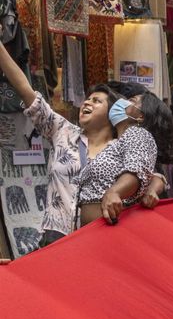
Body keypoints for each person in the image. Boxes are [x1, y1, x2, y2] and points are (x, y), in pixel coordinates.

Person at [0, 40, 117, 244]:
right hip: (56, 236)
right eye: (87, 99)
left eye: (97, 101)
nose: (87, 102)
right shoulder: (63, 131)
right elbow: (26, 91)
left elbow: (143, 177)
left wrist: (156, 182)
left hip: (99, 240)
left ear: (112, 114)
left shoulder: (120, 148)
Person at [77, 90, 165, 225]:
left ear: (140, 116)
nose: (122, 102)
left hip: (111, 228)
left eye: (132, 101)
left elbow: (136, 170)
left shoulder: (137, 133)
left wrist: (114, 192)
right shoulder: (116, 143)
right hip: (93, 230)